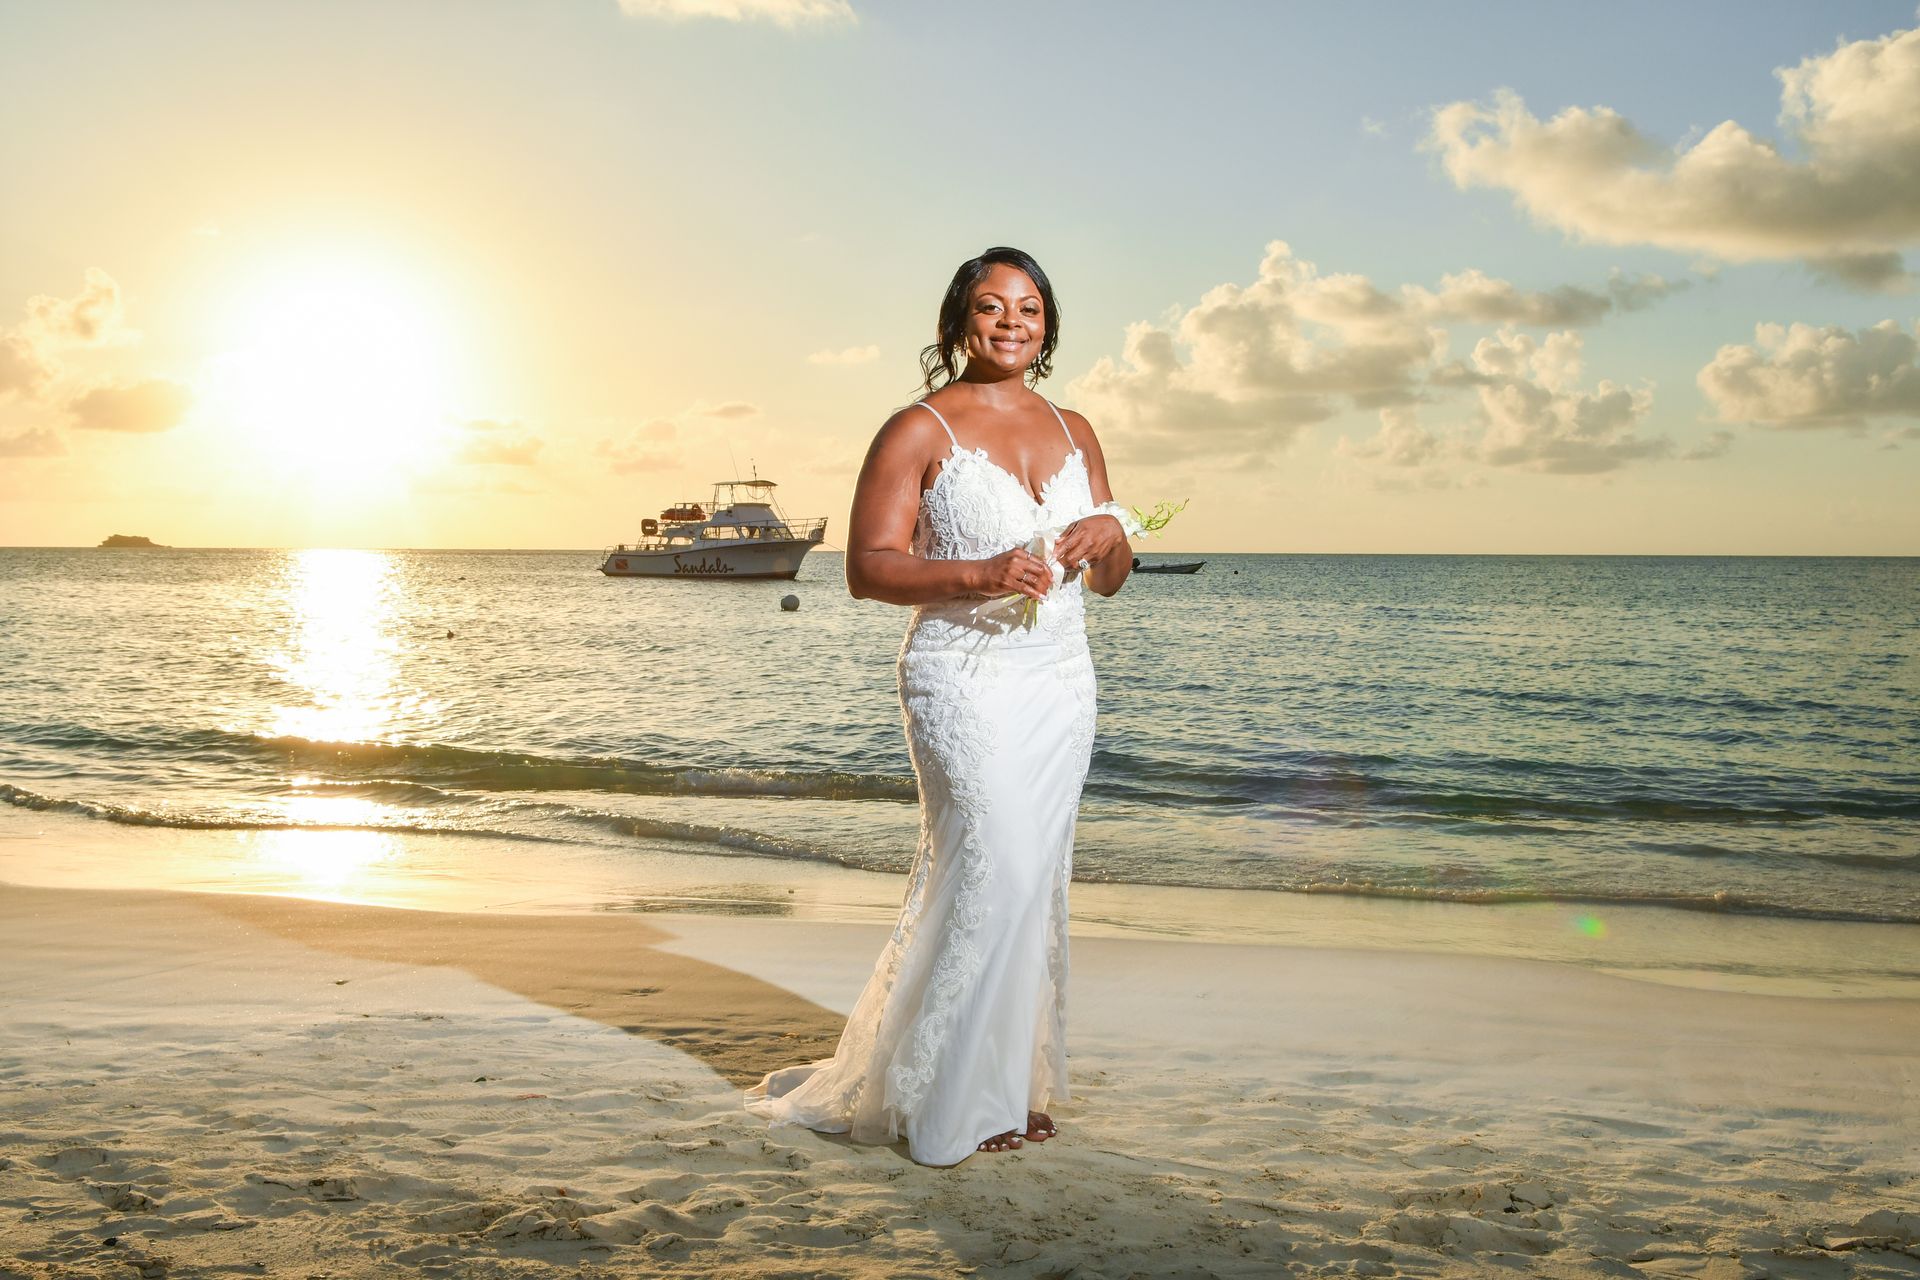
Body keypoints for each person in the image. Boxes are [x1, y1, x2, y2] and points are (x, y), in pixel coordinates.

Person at [742, 246, 1141, 1166]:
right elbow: (866, 568)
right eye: (994, 306)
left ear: (1049, 326)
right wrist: (984, 571)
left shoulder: (1077, 428)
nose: (1013, 323)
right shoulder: (917, 430)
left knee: (1030, 876)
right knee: (994, 860)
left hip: (1060, 678)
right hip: (962, 673)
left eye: (1031, 309)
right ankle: (946, 1099)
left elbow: (1114, 580)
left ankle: (1010, 1084)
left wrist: (1110, 533)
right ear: (958, 320)